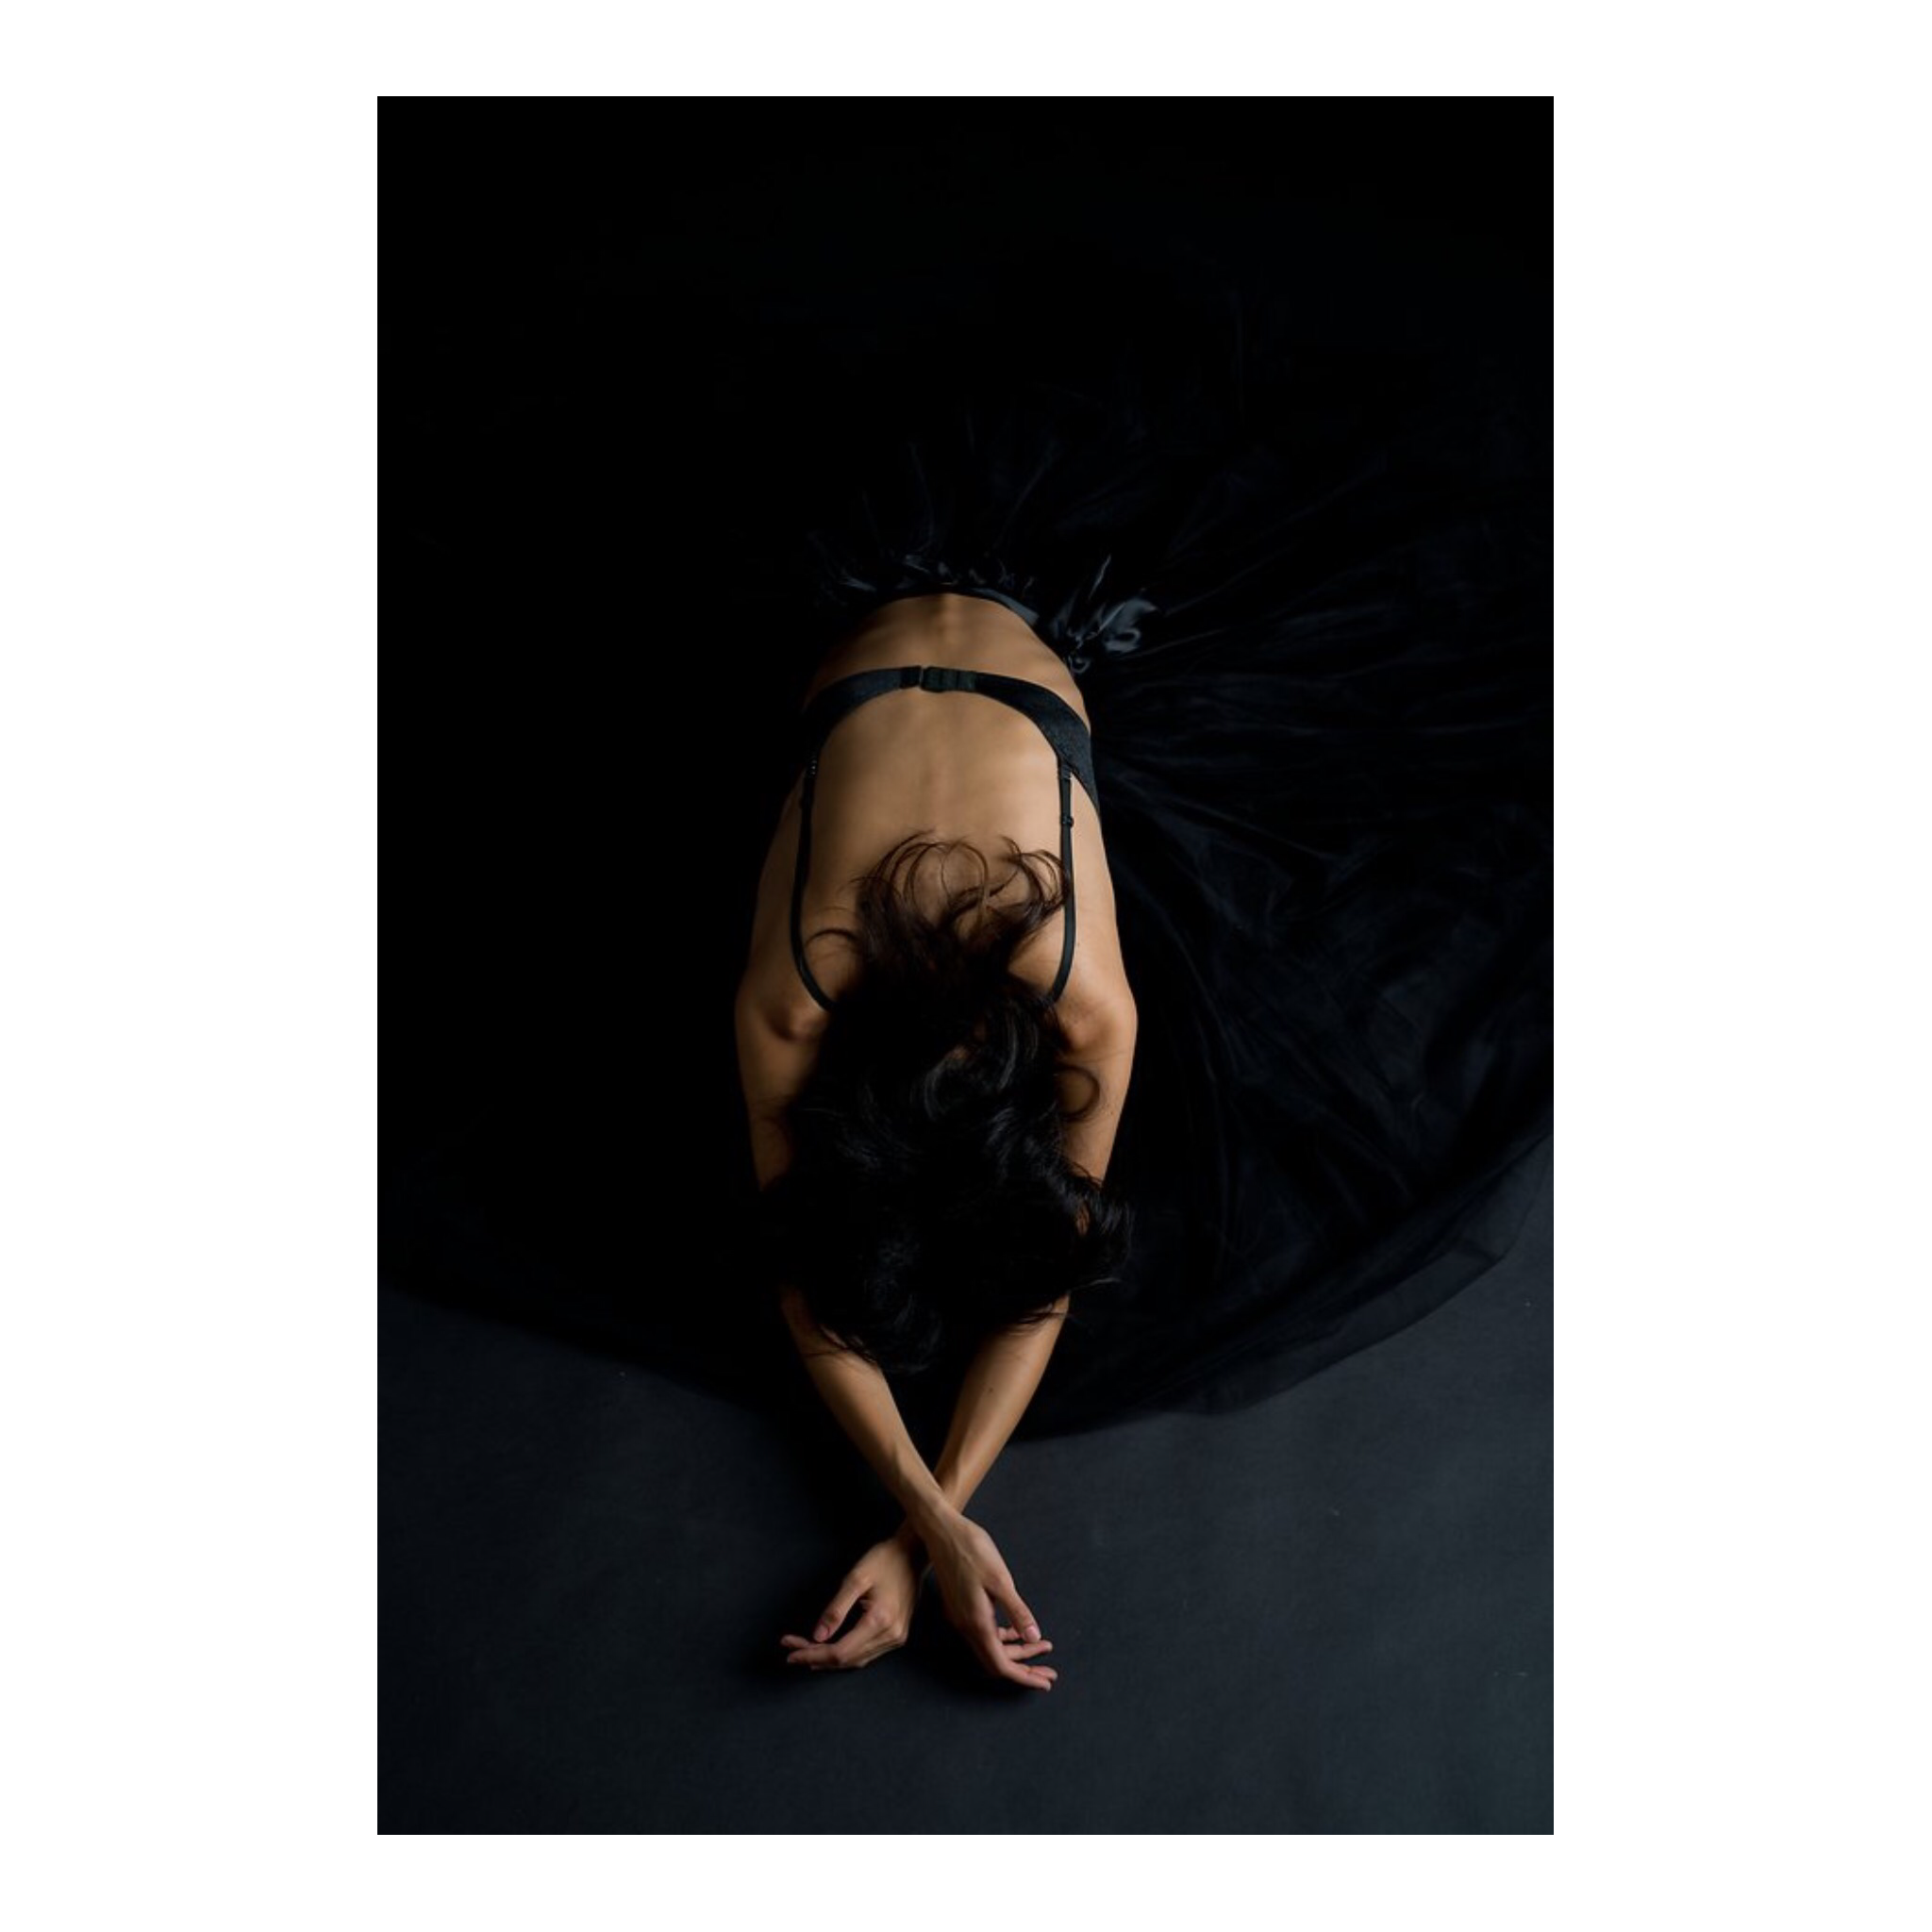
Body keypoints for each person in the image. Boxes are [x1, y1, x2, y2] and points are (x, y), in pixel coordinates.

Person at [737, 588, 1138, 1691]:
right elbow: (798, 1275)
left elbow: (1049, 1276)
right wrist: (929, 1522)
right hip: (904, 660)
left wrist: (930, 1530)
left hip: (920, 661)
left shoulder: (1080, 1001)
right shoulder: (795, 999)